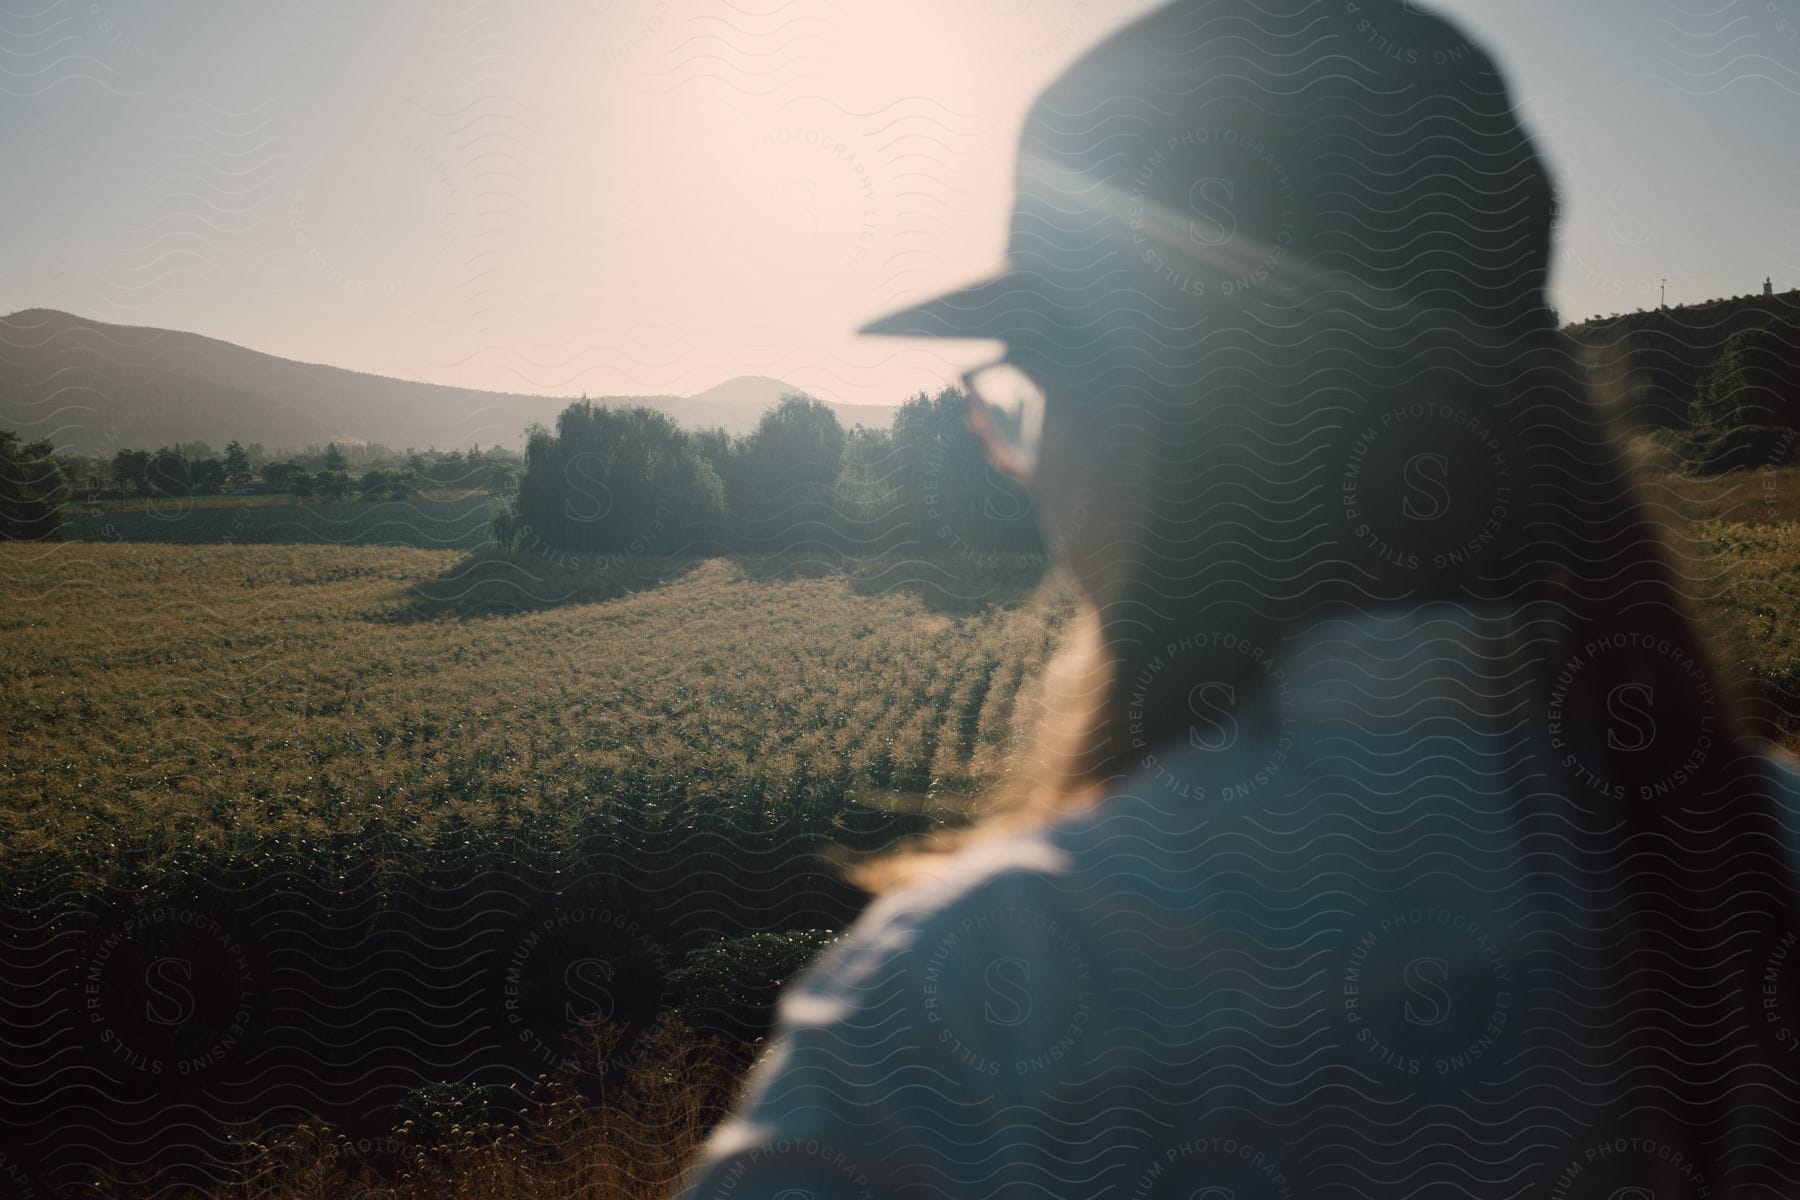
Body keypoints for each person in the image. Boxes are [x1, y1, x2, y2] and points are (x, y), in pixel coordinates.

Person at [677, 1, 1800, 1195]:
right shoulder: (1760, 860)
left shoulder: (958, 1017)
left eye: (1024, 401)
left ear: (1149, 411)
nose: (1031, 474)